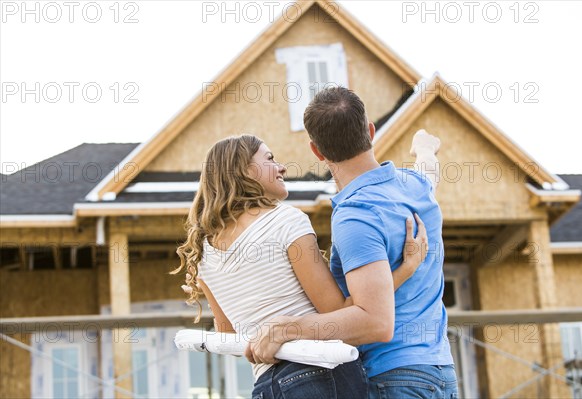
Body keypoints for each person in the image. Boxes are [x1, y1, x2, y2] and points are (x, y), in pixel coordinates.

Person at [172, 134, 429, 399]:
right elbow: (340, 312)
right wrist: (405, 269)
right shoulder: (285, 220)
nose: (281, 167)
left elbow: (228, 334)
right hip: (319, 374)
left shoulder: (204, 251)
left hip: (266, 386)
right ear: (243, 171)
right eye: (270, 159)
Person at [245, 87, 458, 399]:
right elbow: (430, 171)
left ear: (317, 151)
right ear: (370, 132)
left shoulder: (356, 216)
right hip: (439, 374)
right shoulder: (415, 186)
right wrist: (424, 149)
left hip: (392, 378)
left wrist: (288, 329)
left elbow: (375, 322)